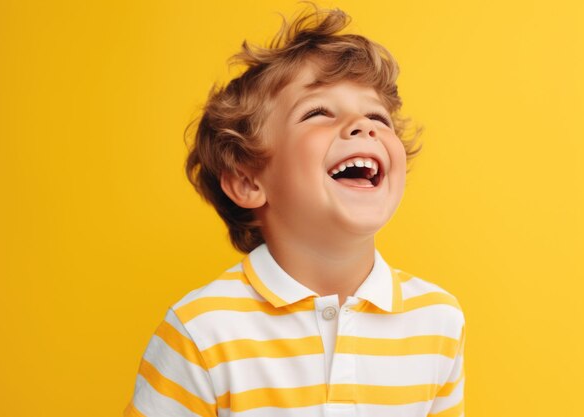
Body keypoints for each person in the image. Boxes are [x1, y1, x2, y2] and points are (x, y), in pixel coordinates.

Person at [124, 5, 465, 417]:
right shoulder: (202, 329)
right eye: (318, 112)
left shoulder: (437, 319)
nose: (364, 125)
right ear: (249, 181)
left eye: (377, 116)